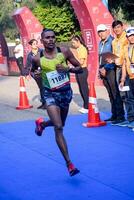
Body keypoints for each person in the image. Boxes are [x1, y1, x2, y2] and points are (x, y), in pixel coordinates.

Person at [34, 29, 82, 176]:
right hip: (49, 94)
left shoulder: (65, 51)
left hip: (65, 93)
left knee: (60, 123)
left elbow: (80, 68)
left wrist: (68, 69)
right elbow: (31, 71)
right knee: (59, 127)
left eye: (53, 37)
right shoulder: (37, 58)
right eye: (47, 38)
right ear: (42, 40)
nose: (50, 40)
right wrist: (35, 74)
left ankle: (42, 124)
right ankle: (69, 164)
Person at [97, 24, 125, 122]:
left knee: (115, 93)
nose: (101, 34)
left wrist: (105, 68)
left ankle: (120, 116)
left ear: (107, 31)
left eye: (103, 31)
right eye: (99, 32)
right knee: (110, 94)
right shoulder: (100, 43)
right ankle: (114, 115)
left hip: (111, 70)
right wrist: (99, 71)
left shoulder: (112, 41)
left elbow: (114, 57)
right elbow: (100, 59)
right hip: (102, 71)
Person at [112, 20, 133, 126]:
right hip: (120, 69)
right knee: (123, 94)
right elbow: (118, 56)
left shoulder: (126, 38)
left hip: (128, 70)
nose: (117, 29)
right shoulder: (114, 41)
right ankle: (128, 118)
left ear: (122, 27)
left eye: (118, 27)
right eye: (115, 28)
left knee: (128, 94)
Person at [119, 27, 134, 128]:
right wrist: (123, 79)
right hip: (129, 76)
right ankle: (132, 119)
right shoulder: (125, 48)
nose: (131, 38)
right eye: (129, 36)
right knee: (129, 99)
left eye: (133, 36)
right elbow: (124, 64)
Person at [24, 39, 45, 109]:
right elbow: (27, 65)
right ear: (31, 45)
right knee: (41, 87)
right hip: (35, 73)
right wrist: (27, 74)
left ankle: (47, 103)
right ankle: (44, 103)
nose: (36, 45)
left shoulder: (42, 51)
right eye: (34, 44)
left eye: (36, 43)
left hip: (43, 71)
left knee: (44, 87)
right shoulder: (30, 55)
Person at [70, 35, 89, 114]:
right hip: (78, 70)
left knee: (84, 89)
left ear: (78, 41)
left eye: (74, 43)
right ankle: (85, 105)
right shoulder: (78, 49)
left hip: (82, 70)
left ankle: (87, 106)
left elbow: (81, 62)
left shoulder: (82, 49)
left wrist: (74, 54)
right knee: (81, 88)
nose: (73, 44)